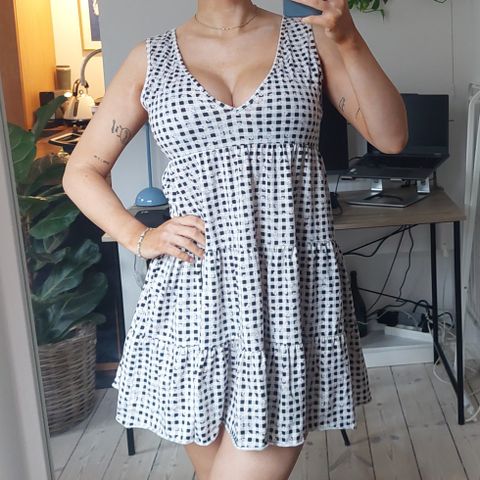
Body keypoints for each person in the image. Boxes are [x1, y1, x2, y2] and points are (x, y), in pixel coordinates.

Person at [62, 1, 408, 479]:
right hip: (192, 305)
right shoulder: (151, 58)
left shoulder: (312, 40)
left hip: (288, 302)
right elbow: (81, 171)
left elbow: (391, 137)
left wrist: (348, 38)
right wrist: (138, 236)